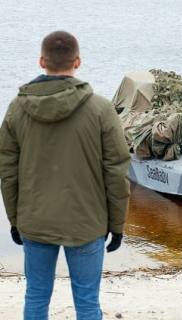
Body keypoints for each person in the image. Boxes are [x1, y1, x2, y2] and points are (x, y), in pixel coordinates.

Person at [0, 31, 131, 320]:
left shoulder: (16, 108)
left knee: (36, 295)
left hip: (35, 219)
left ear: (42, 61)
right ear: (78, 62)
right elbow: (117, 172)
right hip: (86, 222)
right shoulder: (100, 109)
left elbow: (7, 173)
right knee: (87, 302)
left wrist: (14, 220)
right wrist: (117, 223)